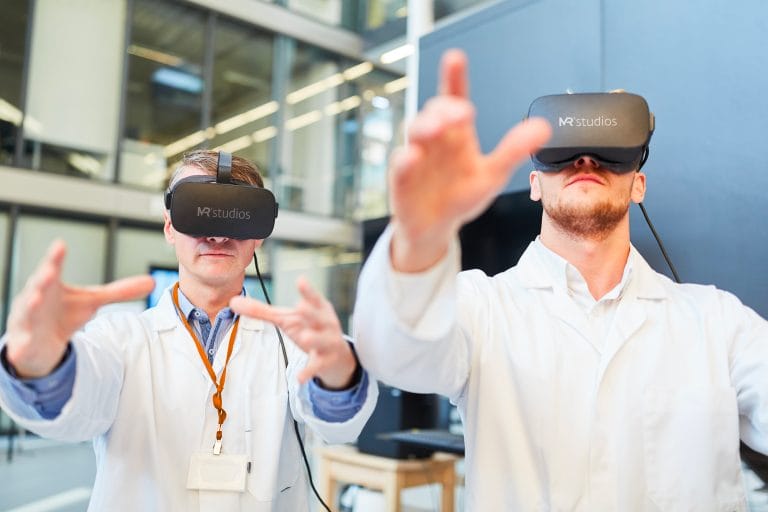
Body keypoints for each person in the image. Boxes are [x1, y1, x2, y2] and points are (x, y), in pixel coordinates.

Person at [351, 49, 768, 510]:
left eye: (608, 150)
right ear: (534, 184)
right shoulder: (482, 307)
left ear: (639, 184)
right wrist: (419, 241)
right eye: (564, 150)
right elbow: (394, 353)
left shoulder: (718, 322)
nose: (585, 159)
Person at [0, 150, 377, 511]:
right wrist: (41, 365)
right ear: (170, 227)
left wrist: (338, 375)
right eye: (199, 213)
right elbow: (79, 401)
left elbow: (333, 419)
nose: (216, 235)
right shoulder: (118, 339)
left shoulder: (291, 345)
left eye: (236, 216)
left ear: (259, 234)